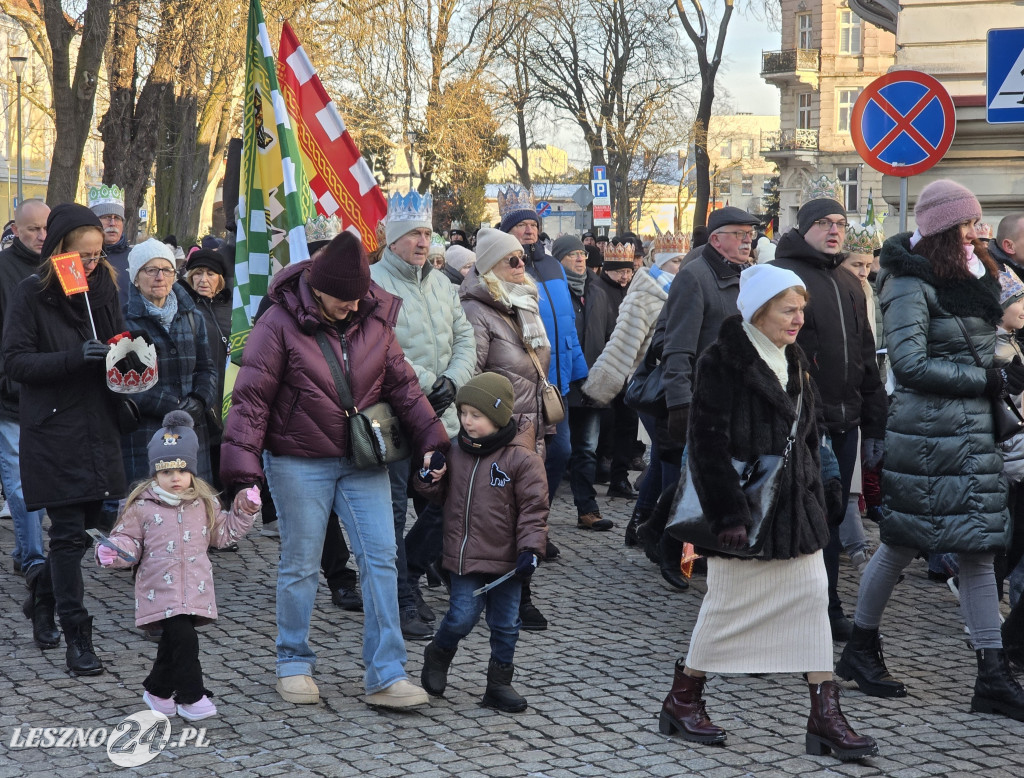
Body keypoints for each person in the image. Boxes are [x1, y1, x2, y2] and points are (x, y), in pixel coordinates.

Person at [657, 264, 878, 761]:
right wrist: (728, 514)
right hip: (745, 518)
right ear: (759, 311)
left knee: (813, 602)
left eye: (802, 309)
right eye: (788, 309)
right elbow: (705, 444)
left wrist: (828, 485)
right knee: (726, 608)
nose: (799, 318)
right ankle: (683, 697)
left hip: (797, 512)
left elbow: (810, 431)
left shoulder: (794, 357)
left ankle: (825, 715)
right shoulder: (722, 359)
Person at [220, 231, 448, 709]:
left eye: (357, 298)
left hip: (363, 459)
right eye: (341, 300)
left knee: (382, 559)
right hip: (297, 461)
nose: (351, 307)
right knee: (301, 565)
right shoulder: (277, 323)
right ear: (316, 288)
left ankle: (386, 673)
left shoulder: (375, 316)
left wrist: (432, 440)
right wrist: (243, 473)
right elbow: (251, 400)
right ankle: (293, 662)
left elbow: (404, 386)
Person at [835, 179, 1024, 722]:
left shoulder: (974, 274)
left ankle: (990, 674)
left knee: (977, 549)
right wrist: (984, 377)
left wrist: (999, 372)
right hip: (928, 433)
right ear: (944, 228)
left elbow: (978, 347)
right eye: (967, 224)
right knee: (900, 542)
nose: (977, 232)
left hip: (972, 432)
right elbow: (910, 365)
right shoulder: (907, 281)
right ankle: (863, 649)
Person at [3, 203, 127, 675]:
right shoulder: (30, 293)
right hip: (54, 428)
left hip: (99, 423)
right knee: (70, 534)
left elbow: (116, 340)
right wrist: (74, 358)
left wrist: (129, 360)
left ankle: (41, 594)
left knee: (93, 518)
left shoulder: (103, 285)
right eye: (84, 256)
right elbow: (15, 362)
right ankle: (78, 634)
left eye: (99, 255)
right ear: (59, 252)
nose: (93, 264)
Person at [771, 199, 888, 641]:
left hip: (846, 419)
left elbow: (865, 356)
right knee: (797, 513)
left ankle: (826, 603)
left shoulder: (849, 280)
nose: (834, 230)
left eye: (840, 222)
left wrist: (875, 422)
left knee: (834, 514)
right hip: (800, 419)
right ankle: (786, 609)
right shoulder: (782, 276)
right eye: (823, 223)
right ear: (803, 229)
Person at [95, 411, 258, 721]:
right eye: (167, 471)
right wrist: (112, 553)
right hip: (159, 590)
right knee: (184, 639)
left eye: (182, 470)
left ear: (192, 471)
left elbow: (224, 534)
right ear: (155, 473)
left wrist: (244, 510)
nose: (175, 478)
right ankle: (191, 695)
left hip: (195, 588)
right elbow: (127, 541)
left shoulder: (203, 503)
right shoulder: (141, 506)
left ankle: (157, 691)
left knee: (173, 643)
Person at [371, 191, 476, 640]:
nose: (422, 240)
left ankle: (412, 570)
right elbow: (378, 346)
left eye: (427, 233)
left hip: (443, 414)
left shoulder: (440, 282)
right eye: (414, 233)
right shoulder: (372, 282)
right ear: (393, 239)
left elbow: (465, 337)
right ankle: (398, 595)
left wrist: (453, 379)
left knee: (453, 498)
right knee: (392, 512)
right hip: (395, 416)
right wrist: (431, 379)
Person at [416, 373, 548, 712]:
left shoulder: (522, 459)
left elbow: (534, 509)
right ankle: (438, 653)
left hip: (507, 563)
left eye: (477, 415)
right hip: (465, 558)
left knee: (506, 625)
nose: (467, 421)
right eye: (463, 413)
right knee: (461, 616)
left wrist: (531, 550)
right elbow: (437, 495)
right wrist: (429, 477)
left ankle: (498, 685)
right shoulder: (455, 451)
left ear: (499, 416)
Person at [460, 227, 554, 629]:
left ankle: (520, 593)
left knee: (528, 510)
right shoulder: (476, 310)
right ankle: (507, 596)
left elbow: (538, 368)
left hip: (531, 427)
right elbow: (473, 375)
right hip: (499, 430)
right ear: (489, 268)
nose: (521, 266)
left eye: (522, 258)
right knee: (500, 514)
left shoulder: (526, 303)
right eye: (511, 260)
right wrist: (477, 427)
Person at [583, 232, 685, 543]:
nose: (682, 266)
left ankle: (639, 524)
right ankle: (663, 532)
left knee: (665, 457)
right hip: (651, 390)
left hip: (670, 387)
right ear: (663, 263)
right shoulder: (645, 295)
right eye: (677, 261)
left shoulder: (678, 292)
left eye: (683, 259)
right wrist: (604, 387)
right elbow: (622, 344)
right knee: (671, 458)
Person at [497, 186, 587, 504]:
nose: (529, 229)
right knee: (521, 458)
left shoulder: (552, 266)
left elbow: (567, 323)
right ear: (507, 230)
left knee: (561, 451)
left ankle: (537, 519)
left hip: (555, 384)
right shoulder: (500, 267)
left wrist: (578, 370)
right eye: (521, 225)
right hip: (521, 382)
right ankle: (520, 525)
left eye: (533, 223)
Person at [122, 239, 218, 486]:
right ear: (135, 277)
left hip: (191, 428)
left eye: (166, 270)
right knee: (150, 505)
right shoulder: (123, 321)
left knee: (192, 504)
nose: (159, 277)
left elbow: (207, 368)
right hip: (146, 432)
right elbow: (123, 381)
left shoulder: (192, 317)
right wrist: (171, 405)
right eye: (150, 270)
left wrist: (199, 401)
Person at [0, 199, 50, 594]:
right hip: (12, 395)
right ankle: (34, 557)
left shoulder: (64, 268)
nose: (40, 236)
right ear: (16, 230)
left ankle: (25, 551)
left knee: (45, 479)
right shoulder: (3, 270)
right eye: (32, 229)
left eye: (46, 228)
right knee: (19, 483)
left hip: (53, 392)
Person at [552, 234, 615, 530]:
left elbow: (608, 334)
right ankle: (539, 517)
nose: (580, 258)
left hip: (591, 382)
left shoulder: (598, 290)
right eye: (572, 254)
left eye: (582, 254)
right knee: (554, 451)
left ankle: (587, 509)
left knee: (587, 449)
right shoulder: (551, 290)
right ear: (558, 259)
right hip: (560, 384)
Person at [182, 248, 231, 488]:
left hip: (230, 389)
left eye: (210, 274)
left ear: (220, 278)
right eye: (197, 273)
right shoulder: (185, 306)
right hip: (202, 390)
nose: (203, 280)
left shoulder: (232, 307)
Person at [87, 184, 133, 308]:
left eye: (117, 218)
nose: (113, 223)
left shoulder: (135, 257)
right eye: (106, 217)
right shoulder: (84, 258)